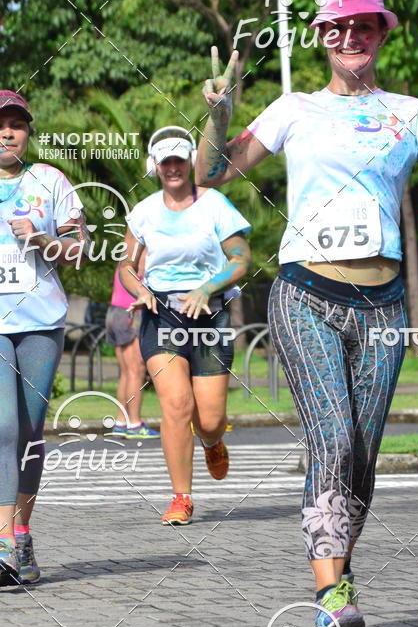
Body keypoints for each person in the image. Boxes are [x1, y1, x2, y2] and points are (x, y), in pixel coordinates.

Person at [195, 0, 418, 627]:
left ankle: (339, 575)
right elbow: (212, 171)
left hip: (383, 307)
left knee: (363, 457)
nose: (351, 39)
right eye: (337, 29)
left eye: (364, 28)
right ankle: (329, 592)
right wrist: (219, 111)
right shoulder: (294, 109)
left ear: (382, 34)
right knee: (334, 435)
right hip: (306, 293)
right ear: (322, 39)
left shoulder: (410, 113)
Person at [119, 127, 251, 526]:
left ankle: (212, 441)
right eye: (165, 162)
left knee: (208, 419)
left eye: (179, 160)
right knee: (176, 406)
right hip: (162, 315)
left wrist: (207, 287)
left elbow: (241, 258)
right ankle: (181, 497)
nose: (173, 168)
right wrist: (139, 290)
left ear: (190, 161)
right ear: (155, 166)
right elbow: (125, 266)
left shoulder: (215, 204)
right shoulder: (143, 211)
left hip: (209, 315)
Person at [0, 90, 90, 586]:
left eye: (16, 124)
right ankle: (3, 542)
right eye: (0, 124)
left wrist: (40, 238)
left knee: (32, 435)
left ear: (27, 133)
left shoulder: (50, 182)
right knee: (4, 427)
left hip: (39, 321)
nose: (7, 132)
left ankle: (22, 533)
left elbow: (79, 248)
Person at [105, 265, 160, 438]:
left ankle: (121, 422)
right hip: (131, 311)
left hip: (115, 311)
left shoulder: (127, 247)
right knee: (136, 371)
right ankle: (135, 424)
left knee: (127, 373)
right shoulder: (142, 246)